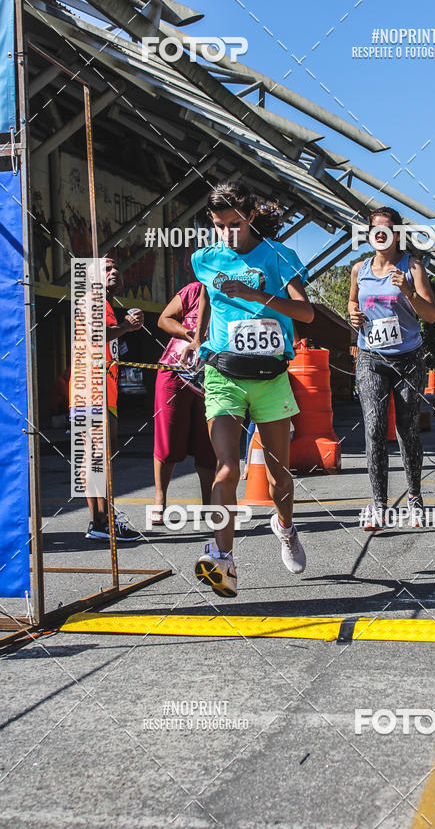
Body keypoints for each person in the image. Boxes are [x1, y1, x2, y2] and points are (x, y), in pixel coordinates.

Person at [181, 180, 314, 598]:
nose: (227, 233)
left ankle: (286, 527)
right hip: (223, 373)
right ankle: (224, 558)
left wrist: (255, 293)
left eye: (234, 224)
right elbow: (206, 297)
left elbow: (306, 312)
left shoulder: (278, 256)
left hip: (270, 376)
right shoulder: (206, 257)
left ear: (251, 216)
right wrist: (196, 338)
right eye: (219, 225)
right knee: (227, 467)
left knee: (279, 476)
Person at [348, 207, 435, 531]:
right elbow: (353, 303)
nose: (380, 234)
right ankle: (380, 505)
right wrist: (354, 316)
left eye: (387, 229)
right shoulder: (360, 268)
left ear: (397, 234)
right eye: (375, 229)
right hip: (371, 357)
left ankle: (414, 497)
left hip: (408, 358)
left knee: (406, 429)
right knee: (373, 430)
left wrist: (408, 291)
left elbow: (430, 316)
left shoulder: (411, 266)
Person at [72, 257, 145, 542]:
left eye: (117, 269)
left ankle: (102, 521)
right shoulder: (91, 300)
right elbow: (94, 335)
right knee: (97, 457)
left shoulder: (107, 306)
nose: (115, 272)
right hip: (91, 389)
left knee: (98, 457)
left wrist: (126, 326)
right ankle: (102, 522)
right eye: (106, 269)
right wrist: (127, 326)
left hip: (104, 390)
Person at [151, 282, 216, 526]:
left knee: (208, 441)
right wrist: (189, 334)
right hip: (175, 371)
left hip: (212, 375)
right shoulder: (194, 289)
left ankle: (209, 504)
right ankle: (160, 497)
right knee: (168, 438)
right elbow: (164, 319)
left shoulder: (237, 288)